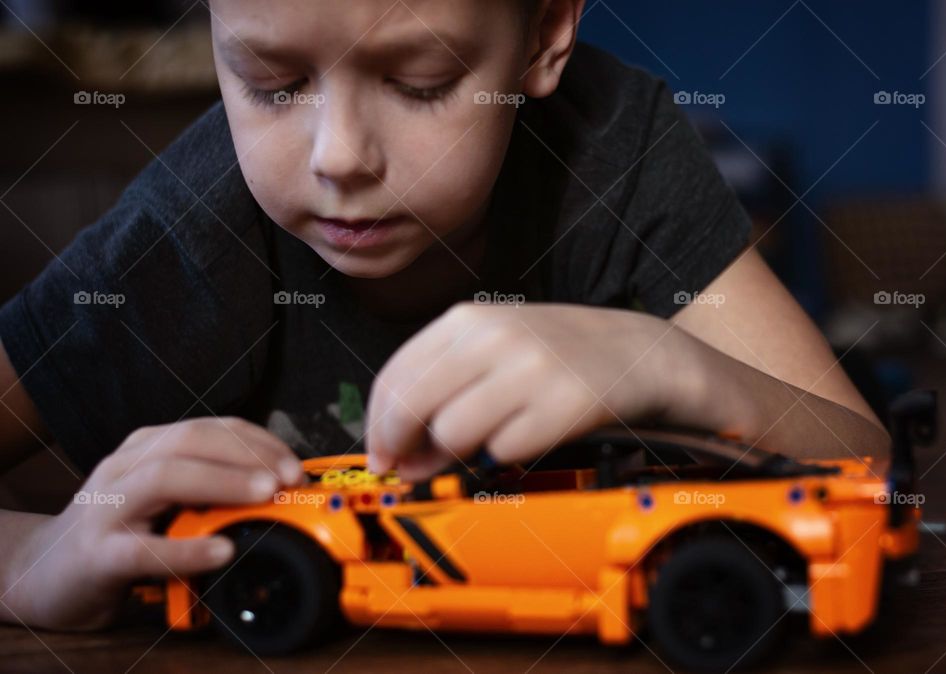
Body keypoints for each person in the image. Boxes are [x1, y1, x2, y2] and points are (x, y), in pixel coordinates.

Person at [0, 0, 888, 632]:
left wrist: (663, 365)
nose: (339, 155)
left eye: (420, 82)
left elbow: (866, 468)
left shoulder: (619, 154)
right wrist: (27, 561)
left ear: (545, 34)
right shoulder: (183, 238)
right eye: (272, 82)